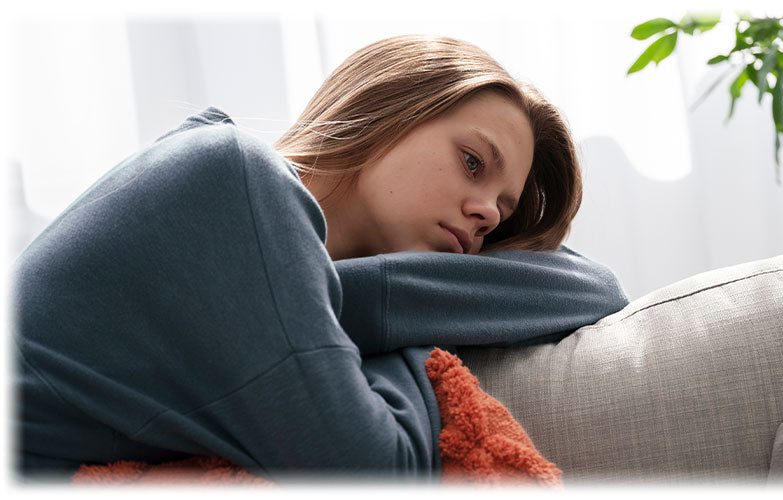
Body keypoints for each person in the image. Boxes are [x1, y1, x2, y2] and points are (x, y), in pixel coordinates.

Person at [14, 34, 627, 482]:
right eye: (473, 162)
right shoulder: (231, 180)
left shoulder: (260, 235)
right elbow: (375, 474)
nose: (488, 214)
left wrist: (347, 301)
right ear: (388, 108)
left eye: (501, 209)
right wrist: (409, 337)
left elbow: (593, 286)